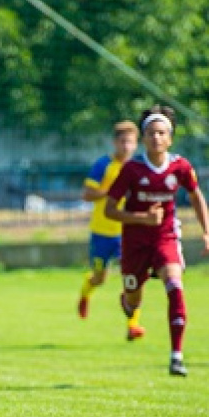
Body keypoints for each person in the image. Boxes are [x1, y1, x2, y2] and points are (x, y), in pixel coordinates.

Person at [104, 105, 209, 376]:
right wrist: (142, 218)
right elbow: (109, 209)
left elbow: (195, 196)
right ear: (144, 138)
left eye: (162, 133)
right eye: (151, 133)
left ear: (170, 138)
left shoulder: (180, 167)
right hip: (134, 243)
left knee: (175, 286)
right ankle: (128, 302)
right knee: (134, 299)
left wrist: (207, 232)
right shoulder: (132, 169)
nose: (156, 138)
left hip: (165, 238)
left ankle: (176, 356)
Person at [77, 120, 140, 337]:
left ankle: (132, 326)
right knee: (100, 278)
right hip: (102, 232)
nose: (126, 146)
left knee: (132, 279)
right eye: (122, 141)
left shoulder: (138, 167)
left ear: (136, 144)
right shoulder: (103, 165)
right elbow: (86, 194)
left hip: (127, 233)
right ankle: (86, 292)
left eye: (130, 142)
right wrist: (110, 192)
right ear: (115, 143)